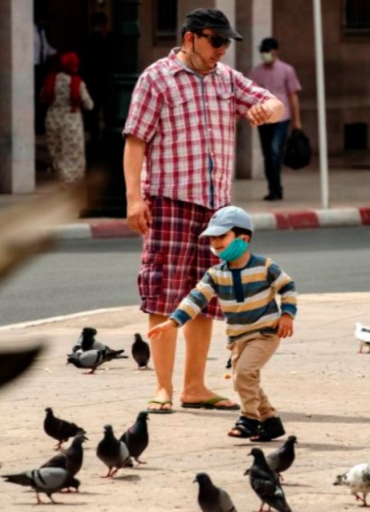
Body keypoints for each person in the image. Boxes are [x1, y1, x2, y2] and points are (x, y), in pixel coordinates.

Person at [123, 8, 286, 414]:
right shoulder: (156, 78)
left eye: (227, 44)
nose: (222, 51)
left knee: (206, 296)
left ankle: (194, 387)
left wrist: (269, 110)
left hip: (217, 209)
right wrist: (133, 198)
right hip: (168, 198)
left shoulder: (226, 80)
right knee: (163, 293)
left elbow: (273, 103)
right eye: (216, 41)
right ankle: (162, 387)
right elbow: (135, 141)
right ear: (191, 37)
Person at [149, 206, 297, 441]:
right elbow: (196, 298)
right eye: (213, 237)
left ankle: (249, 419)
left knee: (244, 374)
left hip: (265, 333)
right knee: (245, 379)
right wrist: (173, 322)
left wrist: (287, 315)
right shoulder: (215, 274)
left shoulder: (265, 267)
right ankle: (270, 421)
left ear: (243, 238)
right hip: (238, 339)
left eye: (222, 236)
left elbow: (287, 287)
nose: (215, 242)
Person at [249, 37, 302, 201]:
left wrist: (296, 122)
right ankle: (273, 188)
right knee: (267, 153)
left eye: (267, 51)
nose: (265, 55)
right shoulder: (256, 72)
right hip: (264, 118)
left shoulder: (287, 70)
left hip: (282, 118)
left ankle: (276, 188)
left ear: (275, 51)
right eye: (262, 52)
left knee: (274, 151)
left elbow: (293, 96)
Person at [41, 52, 93, 184]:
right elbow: (89, 104)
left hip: (53, 117)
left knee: (56, 150)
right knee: (72, 153)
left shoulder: (50, 80)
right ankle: (70, 181)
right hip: (71, 120)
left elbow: (42, 98)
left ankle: (59, 176)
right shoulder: (76, 83)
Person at [81, 12, 115, 139]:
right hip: (94, 80)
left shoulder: (110, 38)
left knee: (106, 108)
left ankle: (101, 132)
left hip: (105, 79)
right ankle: (94, 134)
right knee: (94, 110)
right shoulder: (90, 39)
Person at [34, 17, 57, 134]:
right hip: (32, 66)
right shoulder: (29, 30)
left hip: (42, 66)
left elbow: (46, 48)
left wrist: (56, 52)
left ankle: (40, 125)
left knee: (42, 97)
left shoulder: (41, 31)